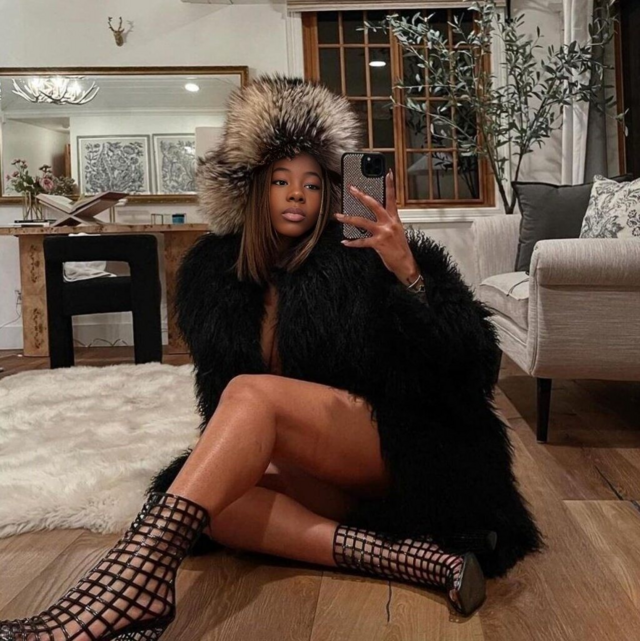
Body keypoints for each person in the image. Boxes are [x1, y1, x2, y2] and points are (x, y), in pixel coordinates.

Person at [0, 73, 544, 641]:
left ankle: (131, 583)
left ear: (329, 192)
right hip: (319, 469)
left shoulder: (365, 257)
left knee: (250, 394)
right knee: (213, 501)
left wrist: (405, 268)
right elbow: (223, 409)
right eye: (281, 180)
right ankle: (411, 559)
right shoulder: (216, 276)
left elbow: (474, 368)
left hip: (406, 452)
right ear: (253, 190)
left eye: (311, 183)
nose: (296, 194)